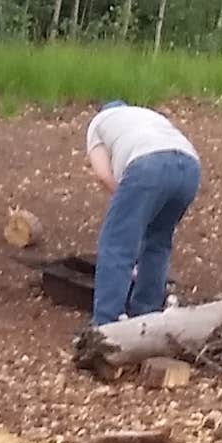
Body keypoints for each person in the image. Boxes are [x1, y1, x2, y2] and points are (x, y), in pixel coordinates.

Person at [82, 99, 203, 330]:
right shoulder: (147, 115)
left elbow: (103, 175)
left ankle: (106, 324)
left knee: (117, 244)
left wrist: (128, 198)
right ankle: (146, 314)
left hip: (148, 166)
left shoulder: (98, 123)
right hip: (189, 167)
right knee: (157, 242)